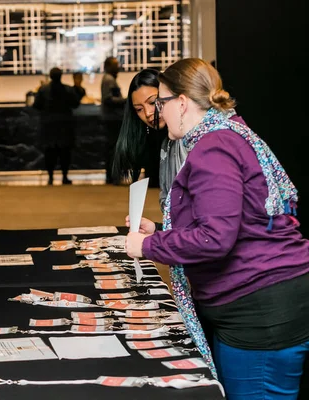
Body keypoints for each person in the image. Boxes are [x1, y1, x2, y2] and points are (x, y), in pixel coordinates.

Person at [125, 57, 309, 399]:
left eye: (160, 103)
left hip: (260, 309)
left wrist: (147, 248)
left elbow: (215, 237)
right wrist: (162, 232)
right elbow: (228, 216)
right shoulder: (230, 132)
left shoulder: (213, 147)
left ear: (181, 102)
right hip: (263, 301)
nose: (158, 114)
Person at [112, 68, 186, 204]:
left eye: (152, 102)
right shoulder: (166, 143)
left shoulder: (194, 139)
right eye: (139, 109)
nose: (147, 113)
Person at [33, 67, 81, 185]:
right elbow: (75, 103)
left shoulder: (43, 90)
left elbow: (36, 105)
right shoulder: (68, 89)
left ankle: (50, 177)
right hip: (65, 125)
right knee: (65, 152)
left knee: (49, 152)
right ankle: (65, 176)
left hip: (48, 125)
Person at [101, 56, 127, 184]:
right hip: (113, 118)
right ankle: (113, 176)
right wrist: (126, 100)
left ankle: (113, 176)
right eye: (115, 65)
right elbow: (108, 99)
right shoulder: (109, 80)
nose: (118, 67)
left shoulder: (109, 79)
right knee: (114, 148)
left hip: (113, 118)